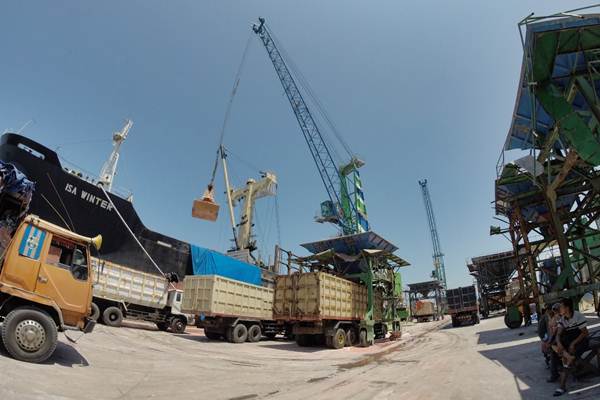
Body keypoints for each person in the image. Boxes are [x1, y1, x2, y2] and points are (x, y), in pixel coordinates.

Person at [551, 297, 590, 397]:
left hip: (581, 340)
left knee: (566, 360)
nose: (559, 309)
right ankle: (568, 357)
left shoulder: (577, 315)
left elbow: (585, 333)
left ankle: (562, 386)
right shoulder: (563, 319)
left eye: (561, 307)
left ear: (567, 308)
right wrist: (559, 343)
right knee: (554, 345)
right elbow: (558, 334)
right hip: (570, 340)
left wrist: (573, 343)